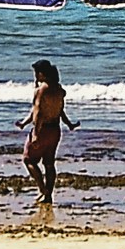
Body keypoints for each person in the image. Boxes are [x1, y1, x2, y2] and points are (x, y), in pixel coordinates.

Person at [21, 59, 78, 203]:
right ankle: (48, 195)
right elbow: (60, 111)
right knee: (49, 163)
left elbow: (38, 112)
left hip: (43, 129)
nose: (35, 75)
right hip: (55, 130)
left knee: (28, 160)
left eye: (36, 72)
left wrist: (35, 133)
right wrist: (69, 124)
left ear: (42, 73)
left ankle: (43, 190)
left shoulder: (42, 90)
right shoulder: (58, 89)